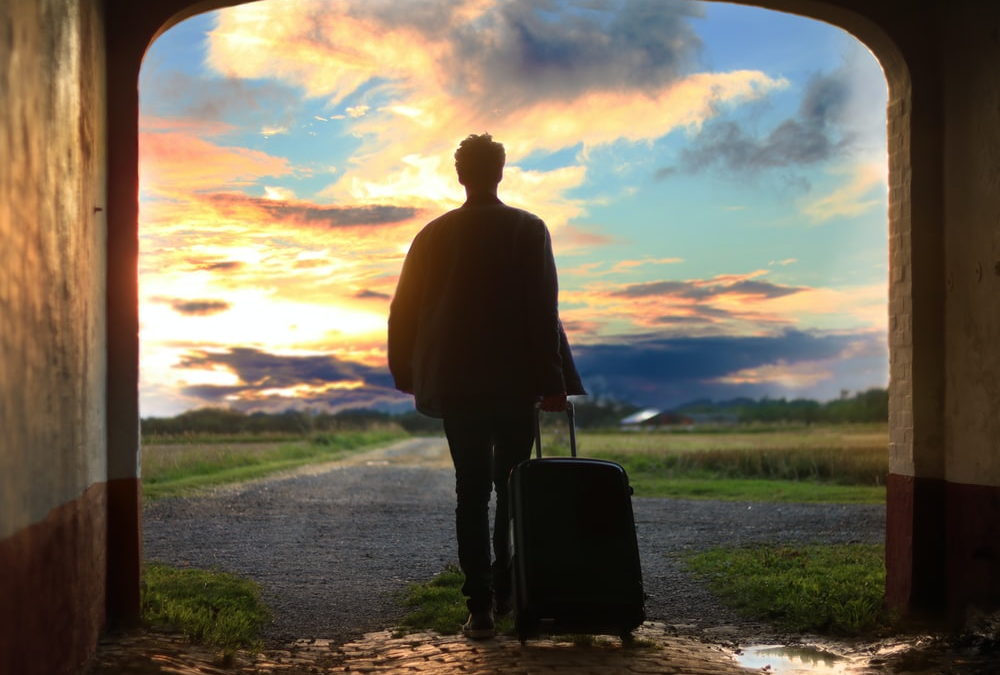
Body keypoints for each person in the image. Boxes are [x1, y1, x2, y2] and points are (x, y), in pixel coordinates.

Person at [387, 133, 585, 639]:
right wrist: (552, 382)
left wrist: (408, 374)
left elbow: (403, 310)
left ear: (460, 175)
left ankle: (479, 610)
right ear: (500, 172)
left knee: (470, 492)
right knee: (512, 487)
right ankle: (508, 593)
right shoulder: (528, 229)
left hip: (456, 385)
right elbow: (544, 312)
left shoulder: (432, 235)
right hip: (515, 382)